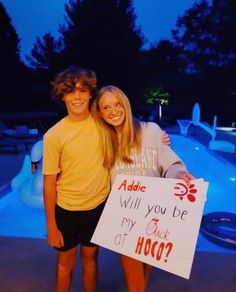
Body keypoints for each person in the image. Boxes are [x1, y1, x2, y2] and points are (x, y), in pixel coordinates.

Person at [91, 85, 195, 292]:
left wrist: (180, 174)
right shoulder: (100, 140)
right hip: (124, 217)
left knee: (146, 265)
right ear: (100, 113)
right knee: (132, 270)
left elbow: (170, 165)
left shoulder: (152, 131)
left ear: (126, 105)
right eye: (106, 107)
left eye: (117, 104)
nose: (113, 111)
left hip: (153, 213)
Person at [42, 66, 111, 292]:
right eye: (71, 92)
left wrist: (162, 137)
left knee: (91, 261)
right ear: (62, 96)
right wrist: (51, 225)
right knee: (65, 265)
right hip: (67, 211)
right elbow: (49, 182)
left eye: (82, 91)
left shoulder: (103, 125)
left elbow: (134, 132)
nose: (78, 97)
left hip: (97, 207)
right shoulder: (54, 136)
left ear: (91, 93)